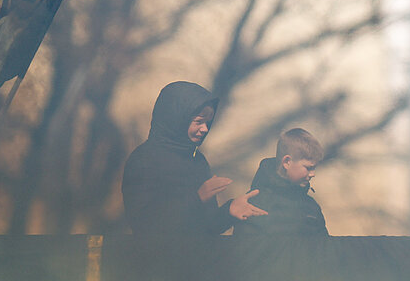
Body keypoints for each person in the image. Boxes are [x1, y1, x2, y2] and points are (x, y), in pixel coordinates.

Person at [122, 80, 265, 235]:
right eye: (199, 122)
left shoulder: (197, 161)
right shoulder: (144, 160)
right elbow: (146, 225)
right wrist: (198, 197)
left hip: (199, 258)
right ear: (176, 119)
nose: (204, 129)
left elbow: (207, 229)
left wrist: (229, 211)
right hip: (159, 258)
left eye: (207, 122)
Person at [242, 128, 329, 237]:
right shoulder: (255, 203)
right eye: (308, 168)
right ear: (287, 162)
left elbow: (324, 246)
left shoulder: (311, 207)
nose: (313, 174)